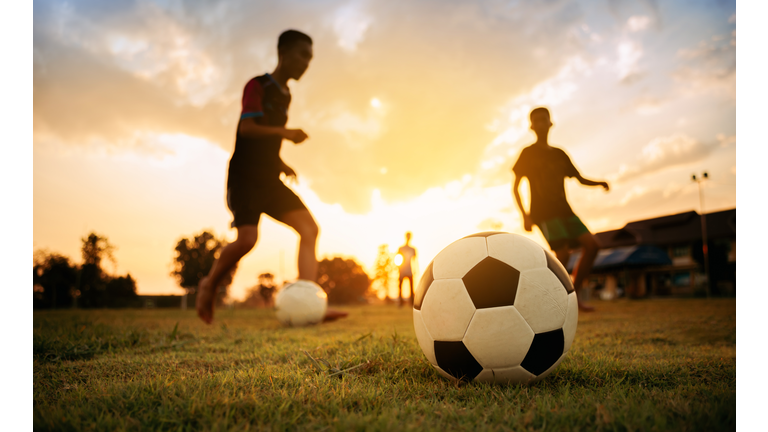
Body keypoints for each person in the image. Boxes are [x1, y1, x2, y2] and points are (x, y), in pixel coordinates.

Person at [197, 30, 347, 324]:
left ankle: (309, 302)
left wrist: (281, 162)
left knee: (309, 229)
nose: (307, 63)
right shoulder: (258, 85)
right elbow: (247, 130)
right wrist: (286, 133)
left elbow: (265, 142)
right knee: (247, 239)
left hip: (269, 177)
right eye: (303, 55)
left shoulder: (286, 94)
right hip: (245, 176)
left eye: (311, 58)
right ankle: (209, 284)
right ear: (284, 53)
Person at [511, 107, 609, 311]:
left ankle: (574, 296)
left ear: (550, 123)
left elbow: (580, 178)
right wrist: (525, 215)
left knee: (593, 246)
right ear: (531, 126)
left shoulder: (559, 154)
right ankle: (550, 301)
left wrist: (599, 183)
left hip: (565, 210)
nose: (539, 124)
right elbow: (516, 187)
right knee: (562, 255)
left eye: (543, 120)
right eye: (535, 121)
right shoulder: (528, 154)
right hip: (543, 212)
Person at [396, 232, 417, 307]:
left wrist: (415, 270)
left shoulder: (413, 249)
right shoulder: (401, 248)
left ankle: (411, 303)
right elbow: (398, 258)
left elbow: (414, 260)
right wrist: (398, 268)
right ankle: (400, 303)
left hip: (409, 270)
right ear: (405, 237)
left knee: (411, 288)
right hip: (402, 270)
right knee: (400, 287)